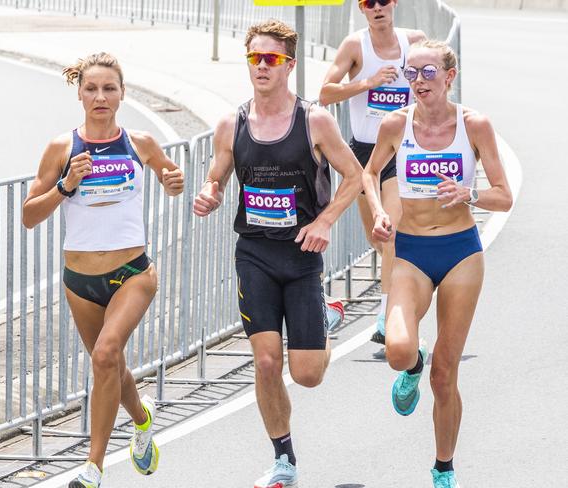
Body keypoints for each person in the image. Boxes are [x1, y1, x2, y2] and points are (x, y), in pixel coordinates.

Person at [193, 20, 362, 488]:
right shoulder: (232, 124)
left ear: (289, 65)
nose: (262, 67)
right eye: (254, 58)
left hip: (302, 255)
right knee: (267, 361)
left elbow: (354, 176)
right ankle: (283, 458)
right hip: (255, 254)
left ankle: (324, 316)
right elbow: (217, 176)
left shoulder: (314, 121)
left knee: (307, 375)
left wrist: (325, 221)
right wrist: (208, 193)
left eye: (271, 59)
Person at [22, 52, 184, 488]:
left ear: (122, 93)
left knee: (106, 354)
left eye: (109, 88)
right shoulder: (62, 148)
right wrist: (64, 185)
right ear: (79, 93)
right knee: (109, 365)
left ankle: (93, 469)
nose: (100, 96)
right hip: (80, 281)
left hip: (132, 272)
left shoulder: (140, 142)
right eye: (91, 88)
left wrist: (174, 182)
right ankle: (141, 417)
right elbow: (29, 215)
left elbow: (171, 179)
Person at [362, 40, 512, 487]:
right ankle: (412, 368)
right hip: (410, 251)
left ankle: (443, 469)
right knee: (398, 349)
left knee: (446, 372)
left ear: (450, 76)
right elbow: (370, 173)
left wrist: (468, 193)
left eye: (428, 73)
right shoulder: (395, 125)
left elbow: (503, 196)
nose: (418, 82)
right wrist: (380, 213)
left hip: (460, 253)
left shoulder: (473, 126)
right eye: (411, 74)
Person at [319, 0, 426, 344]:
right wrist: (368, 82)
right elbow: (325, 93)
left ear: (394, 3)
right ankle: (409, 278)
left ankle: (386, 316)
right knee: (377, 239)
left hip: (401, 149)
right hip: (365, 152)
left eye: (384, 0)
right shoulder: (355, 45)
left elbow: (434, 79)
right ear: (362, 9)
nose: (378, 7)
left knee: (390, 231)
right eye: (369, 3)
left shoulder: (415, 41)